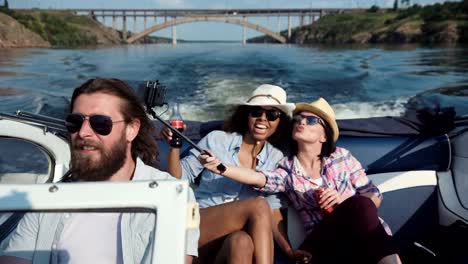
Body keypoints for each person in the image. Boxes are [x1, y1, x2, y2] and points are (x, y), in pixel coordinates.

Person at [0, 78, 199, 264]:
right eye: (75, 122)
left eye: (100, 123)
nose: (83, 132)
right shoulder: (48, 201)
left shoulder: (172, 197)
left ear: (132, 129)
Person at [199, 97, 402, 264]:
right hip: (321, 246)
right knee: (360, 206)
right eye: (298, 119)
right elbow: (259, 178)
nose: (301, 122)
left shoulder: (343, 157)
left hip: (360, 239)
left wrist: (343, 201)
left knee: (361, 203)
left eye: (311, 121)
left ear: (324, 136)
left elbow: (374, 195)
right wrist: (221, 167)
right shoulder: (286, 168)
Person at [162, 84, 295, 264]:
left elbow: (272, 211)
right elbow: (176, 180)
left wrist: (289, 251)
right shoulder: (217, 139)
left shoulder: (275, 158)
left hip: (227, 246)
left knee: (242, 241)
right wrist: (174, 148)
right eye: (256, 112)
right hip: (197, 230)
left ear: (280, 122)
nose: (262, 119)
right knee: (257, 205)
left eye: (272, 115)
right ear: (246, 115)